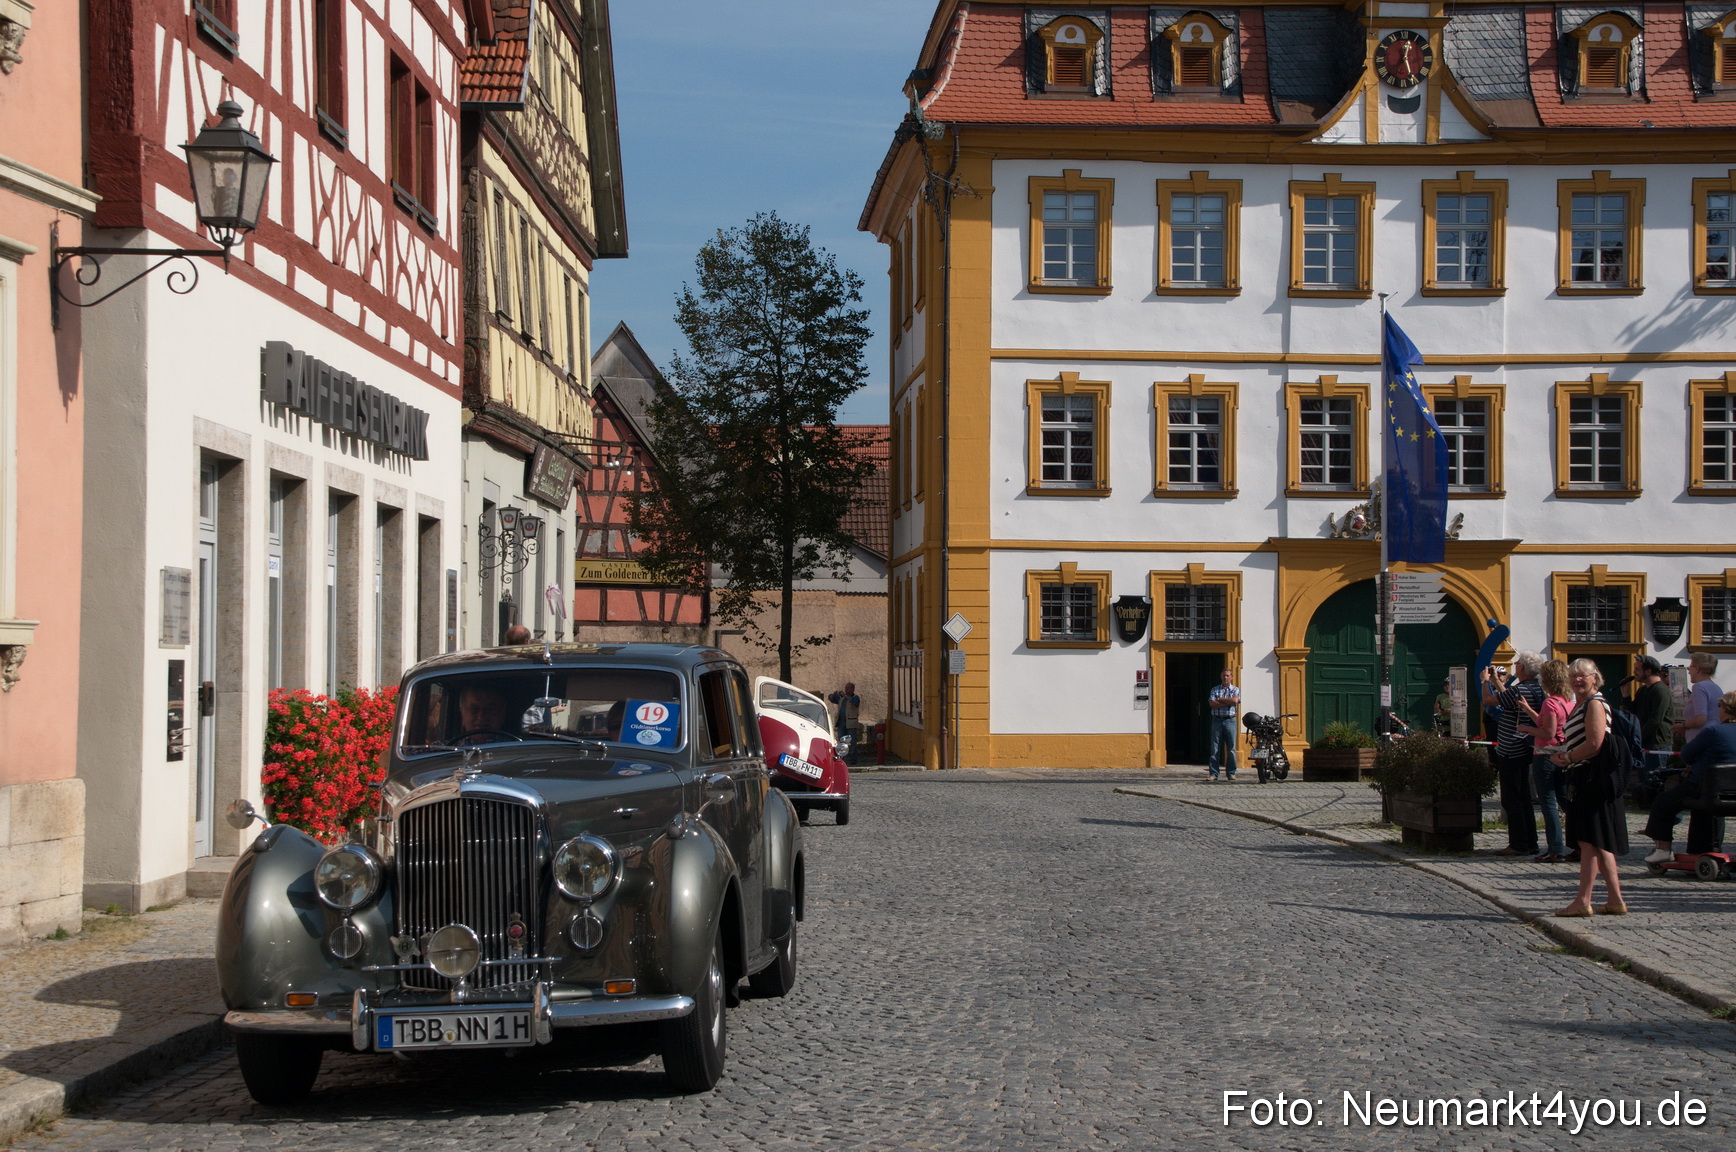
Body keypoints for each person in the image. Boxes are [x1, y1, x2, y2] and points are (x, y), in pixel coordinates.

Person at [1549, 658, 1628, 917]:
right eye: (1573, 676)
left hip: (1592, 779)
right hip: (1586, 776)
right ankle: (1615, 900)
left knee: (1588, 842)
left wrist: (1567, 758)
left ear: (1595, 677)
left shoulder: (1594, 703)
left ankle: (1583, 900)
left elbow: (1595, 744)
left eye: (1583, 676)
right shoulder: (1583, 704)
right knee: (1599, 841)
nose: (1577, 680)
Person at [1640, 690, 1736, 863]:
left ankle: (1663, 848)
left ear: (1726, 710)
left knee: (1663, 802)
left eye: (1720, 706)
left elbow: (1685, 755)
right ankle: (1700, 850)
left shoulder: (1714, 732)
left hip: (1703, 787)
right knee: (1706, 808)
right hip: (1730, 792)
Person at [1481, 651, 1545, 857]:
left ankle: (1518, 843)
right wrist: (1496, 681)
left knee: (1511, 799)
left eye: (1517, 664)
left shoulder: (1520, 690)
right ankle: (1530, 842)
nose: (1515, 666)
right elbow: (1506, 697)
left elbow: (1490, 700)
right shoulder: (1535, 688)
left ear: (1523, 668)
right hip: (1525, 748)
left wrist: (1484, 682)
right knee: (1524, 796)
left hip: (1511, 749)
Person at [1515, 659, 1573, 862]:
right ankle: (1577, 843)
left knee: (1548, 803)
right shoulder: (1567, 700)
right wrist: (1528, 711)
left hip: (1545, 754)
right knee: (1565, 800)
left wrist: (1526, 729)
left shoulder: (1550, 702)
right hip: (1562, 753)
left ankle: (1555, 848)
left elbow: (1547, 732)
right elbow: (1549, 722)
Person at [1674, 652, 1723, 744]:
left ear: (1697, 669)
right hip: (1714, 737)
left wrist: (1683, 726)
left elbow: (1700, 719)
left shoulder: (1699, 687)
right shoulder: (1716, 687)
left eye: (1690, 667)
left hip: (1700, 740)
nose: (1688, 670)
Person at [1629, 655, 1673, 754]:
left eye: (1637, 669)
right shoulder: (1643, 689)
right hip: (1644, 743)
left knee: (1654, 770)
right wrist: (1625, 695)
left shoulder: (1660, 690)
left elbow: (1655, 720)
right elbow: (1632, 712)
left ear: (1648, 671)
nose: (1634, 672)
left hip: (1657, 745)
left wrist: (1637, 737)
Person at [1206, 670, 1240, 781]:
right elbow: (1212, 703)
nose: (1225, 677)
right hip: (1217, 720)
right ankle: (1213, 774)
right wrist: (1227, 702)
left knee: (1231, 748)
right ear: (1221, 677)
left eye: (1228, 676)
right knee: (1215, 748)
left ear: (1231, 677)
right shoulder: (1215, 689)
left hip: (1230, 721)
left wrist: (1220, 699)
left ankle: (1231, 773)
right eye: (1224, 675)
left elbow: (1235, 700)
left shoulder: (1235, 689)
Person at [828, 683, 861, 758]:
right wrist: (833, 695)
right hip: (841, 722)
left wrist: (846, 696)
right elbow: (831, 698)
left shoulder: (856, 697)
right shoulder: (841, 699)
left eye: (848, 688)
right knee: (841, 742)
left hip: (851, 723)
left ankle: (853, 759)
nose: (846, 690)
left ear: (852, 689)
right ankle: (842, 758)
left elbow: (855, 702)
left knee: (852, 742)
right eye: (845, 688)